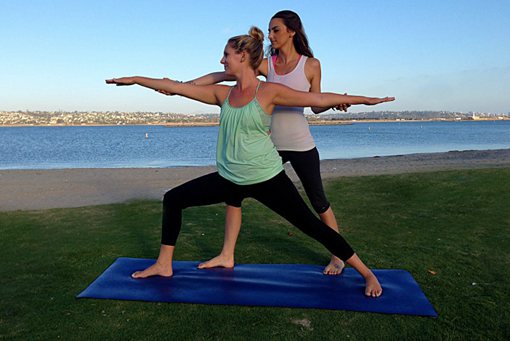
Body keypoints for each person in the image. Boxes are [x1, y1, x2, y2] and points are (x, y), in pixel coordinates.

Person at [106, 26, 394, 297]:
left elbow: (317, 98)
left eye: (226, 55)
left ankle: (367, 274)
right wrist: (135, 80)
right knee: (173, 199)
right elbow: (177, 87)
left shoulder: (268, 91)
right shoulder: (223, 94)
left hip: (266, 178)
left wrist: (365, 100)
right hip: (230, 178)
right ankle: (164, 263)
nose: (222, 60)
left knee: (312, 226)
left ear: (242, 56)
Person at [165, 10, 350, 275]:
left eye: (276, 30)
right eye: (270, 30)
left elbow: (316, 104)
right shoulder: (266, 64)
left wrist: (336, 104)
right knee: (234, 195)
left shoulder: (311, 65)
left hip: (300, 143)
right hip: (269, 145)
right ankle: (227, 255)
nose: (271, 35)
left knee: (318, 202)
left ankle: (337, 256)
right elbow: (223, 76)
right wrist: (182, 85)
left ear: (291, 32)